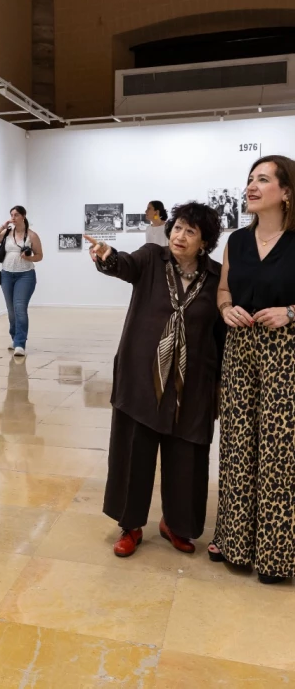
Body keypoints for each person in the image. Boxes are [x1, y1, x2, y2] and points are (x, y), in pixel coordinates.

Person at [85, 202, 224, 558]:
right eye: (177, 228)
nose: (179, 236)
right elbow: (122, 265)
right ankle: (130, 525)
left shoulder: (216, 277)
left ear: (204, 241)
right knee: (134, 451)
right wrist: (107, 256)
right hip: (142, 375)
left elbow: (220, 333)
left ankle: (175, 524)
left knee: (187, 455)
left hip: (192, 381)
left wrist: (220, 384)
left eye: (190, 231)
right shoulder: (150, 259)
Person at [210, 155, 295, 584]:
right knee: (238, 445)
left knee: (280, 453)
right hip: (240, 349)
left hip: (286, 353)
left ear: (286, 191)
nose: (252, 186)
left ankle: (277, 554)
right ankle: (235, 543)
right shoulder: (236, 242)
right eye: (249, 180)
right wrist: (226, 309)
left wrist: (291, 312)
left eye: (263, 179)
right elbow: (224, 289)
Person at [0, 206, 43, 357]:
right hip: (6, 275)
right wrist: (3, 226)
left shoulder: (32, 235)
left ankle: (20, 344)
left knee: (20, 308)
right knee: (11, 311)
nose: (13, 217)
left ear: (23, 216)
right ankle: (15, 337)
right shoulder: (7, 233)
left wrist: (29, 257)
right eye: (11, 215)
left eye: (16, 215)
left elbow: (40, 256)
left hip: (25, 275)